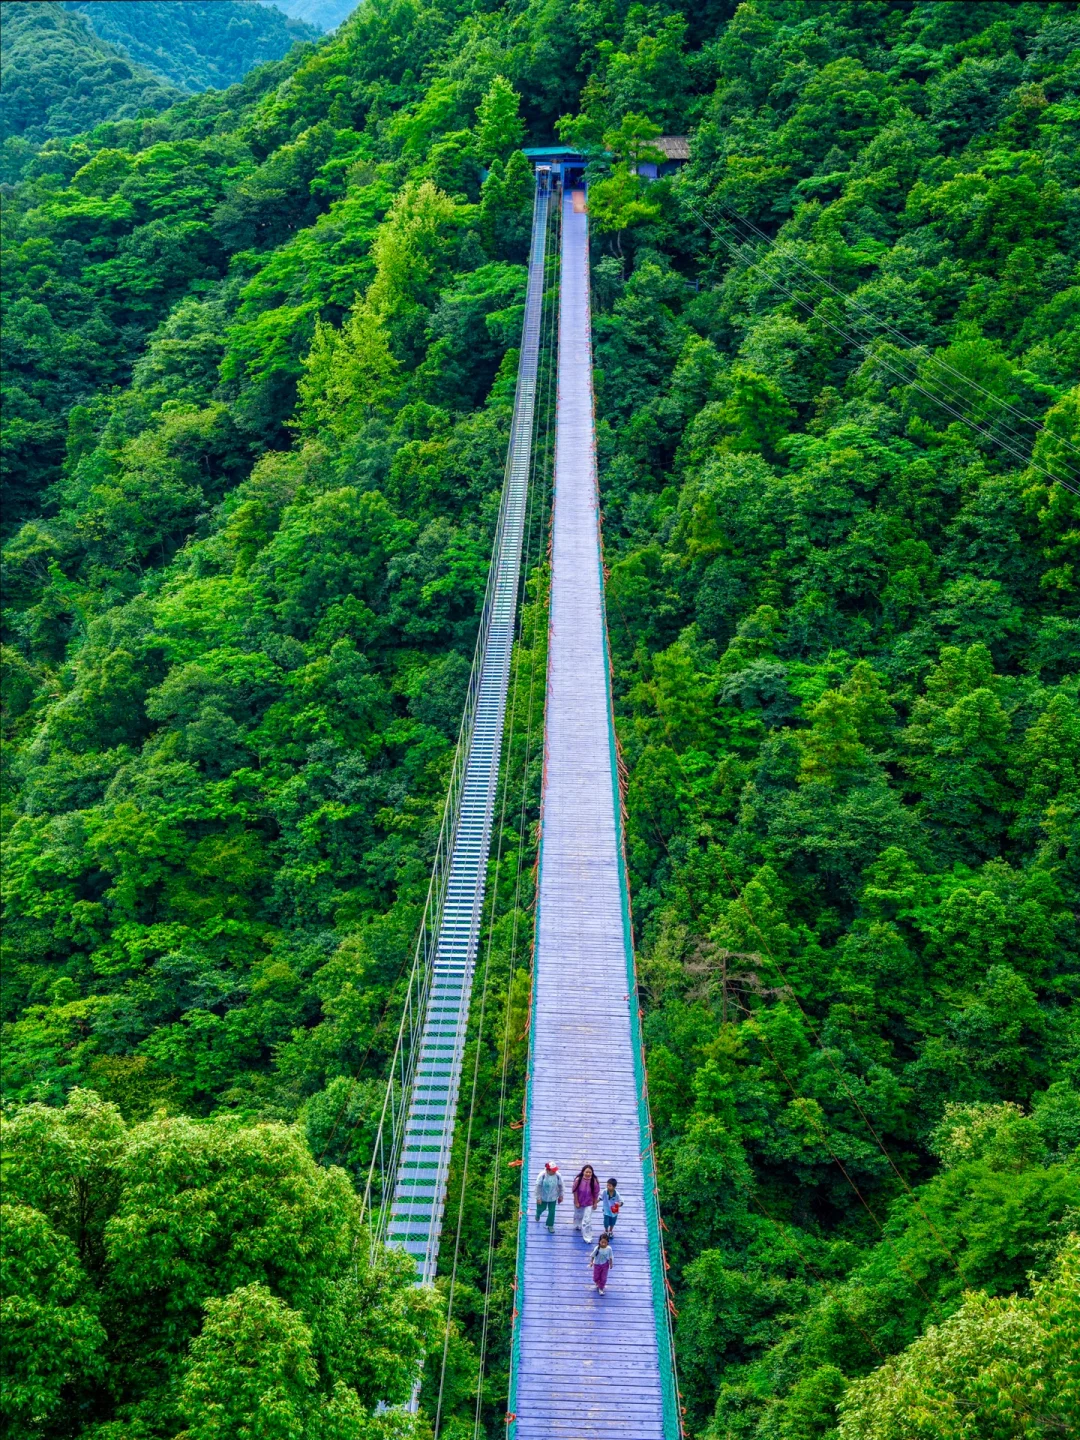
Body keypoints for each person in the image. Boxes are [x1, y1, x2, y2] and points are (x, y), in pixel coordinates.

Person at [571, 1164, 600, 1239]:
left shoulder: (594, 1181)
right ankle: (577, 1225)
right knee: (578, 1215)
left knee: (587, 1220)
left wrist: (595, 1203)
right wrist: (576, 1201)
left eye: (590, 1172)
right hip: (579, 1201)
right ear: (583, 1172)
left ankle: (587, 1236)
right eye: (586, 1172)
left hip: (589, 1203)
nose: (588, 1174)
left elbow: (596, 1193)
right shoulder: (578, 1180)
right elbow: (575, 1191)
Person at [534, 1161, 563, 1231]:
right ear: (548, 1170)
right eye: (553, 1171)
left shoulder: (558, 1176)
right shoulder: (542, 1175)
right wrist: (538, 1197)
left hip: (553, 1196)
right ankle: (538, 1214)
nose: (554, 1172)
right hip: (543, 1196)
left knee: (552, 1211)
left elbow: (561, 1186)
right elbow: (538, 1187)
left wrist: (561, 1195)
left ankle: (550, 1225)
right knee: (541, 1208)